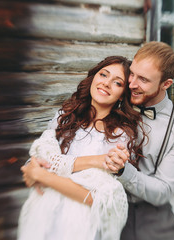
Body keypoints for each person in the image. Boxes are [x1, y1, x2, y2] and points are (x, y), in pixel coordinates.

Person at [26, 41, 174, 240]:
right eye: (131, 74)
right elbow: (48, 149)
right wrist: (33, 166)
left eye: (142, 79)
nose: (132, 84)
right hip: (74, 210)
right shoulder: (82, 112)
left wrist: (121, 169)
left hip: (143, 218)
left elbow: (162, 192)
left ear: (165, 84)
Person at [18, 56, 146, 240]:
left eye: (117, 82)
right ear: (94, 77)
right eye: (103, 74)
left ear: (123, 94)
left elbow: (99, 198)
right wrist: (95, 161)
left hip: (80, 226)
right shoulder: (65, 116)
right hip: (43, 215)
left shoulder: (120, 135)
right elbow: (36, 164)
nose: (106, 83)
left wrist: (44, 176)